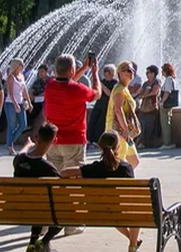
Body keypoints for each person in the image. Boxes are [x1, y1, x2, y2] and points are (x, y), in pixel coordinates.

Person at [44, 53, 101, 235]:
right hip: (74, 142)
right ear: (71, 69)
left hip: (53, 142)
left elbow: (68, 82)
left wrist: (81, 68)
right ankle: (71, 225)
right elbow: (96, 94)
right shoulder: (78, 90)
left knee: (55, 182)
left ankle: (47, 224)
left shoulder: (50, 86)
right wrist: (94, 73)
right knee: (74, 182)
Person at [60, 131, 141, 252]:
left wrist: (79, 174)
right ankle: (132, 245)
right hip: (121, 210)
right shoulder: (126, 168)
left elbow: (64, 173)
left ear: (100, 147)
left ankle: (132, 243)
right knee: (133, 213)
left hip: (99, 211)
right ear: (118, 147)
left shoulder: (94, 168)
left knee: (112, 211)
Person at [13, 123, 63, 252]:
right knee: (63, 213)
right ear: (54, 141)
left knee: (38, 205)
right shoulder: (48, 168)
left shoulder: (19, 161)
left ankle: (32, 243)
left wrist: (28, 145)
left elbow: (21, 153)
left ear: (36, 137)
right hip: (40, 208)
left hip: (17, 207)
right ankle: (43, 242)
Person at [107, 61, 141, 169]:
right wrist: (125, 129)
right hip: (119, 131)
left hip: (123, 132)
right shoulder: (119, 89)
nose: (132, 73)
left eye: (133, 70)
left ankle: (123, 179)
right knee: (118, 161)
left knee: (134, 161)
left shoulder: (123, 88)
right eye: (128, 70)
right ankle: (117, 182)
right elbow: (118, 109)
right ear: (120, 73)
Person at [5, 58, 33, 155]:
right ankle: (10, 146)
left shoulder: (22, 76)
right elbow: (10, 92)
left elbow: (24, 91)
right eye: (21, 65)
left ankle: (9, 142)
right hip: (10, 103)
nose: (23, 67)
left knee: (23, 124)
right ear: (16, 66)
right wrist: (15, 104)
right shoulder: (11, 77)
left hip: (20, 102)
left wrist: (29, 103)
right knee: (11, 125)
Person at [87, 64, 117, 145]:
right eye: (105, 73)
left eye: (108, 73)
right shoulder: (103, 81)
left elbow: (110, 93)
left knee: (101, 124)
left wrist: (102, 85)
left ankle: (98, 140)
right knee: (92, 121)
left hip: (107, 106)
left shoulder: (115, 83)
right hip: (99, 104)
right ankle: (89, 139)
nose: (106, 75)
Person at [137, 65, 162, 149]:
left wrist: (144, 95)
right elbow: (140, 92)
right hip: (144, 107)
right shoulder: (145, 83)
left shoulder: (157, 82)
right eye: (146, 72)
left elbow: (155, 92)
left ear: (154, 73)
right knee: (141, 125)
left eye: (149, 72)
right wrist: (141, 95)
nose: (147, 74)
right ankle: (140, 142)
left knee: (150, 126)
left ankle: (146, 143)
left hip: (152, 107)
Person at [159, 63, 178, 149]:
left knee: (165, 123)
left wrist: (162, 102)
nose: (161, 72)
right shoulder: (172, 79)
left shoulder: (168, 80)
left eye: (162, 70)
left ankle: (167, 143)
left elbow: (167, 91)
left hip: (166, 105)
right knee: (167, 122)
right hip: (168, 104)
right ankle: (168, 142)